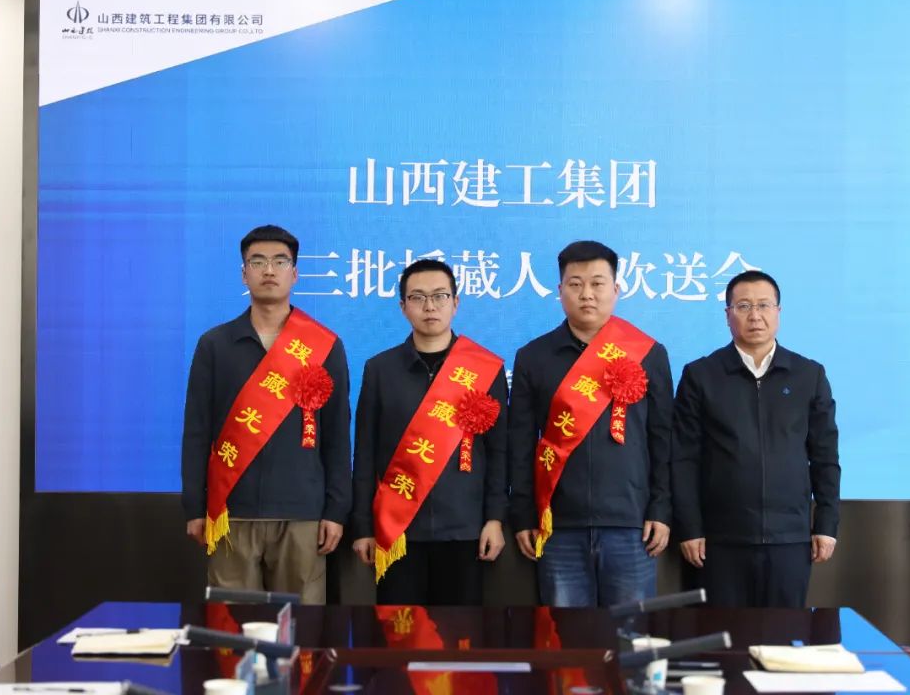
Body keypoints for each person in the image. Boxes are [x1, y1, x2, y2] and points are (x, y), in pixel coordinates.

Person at [181, 225, 351, 604]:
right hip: (232, 513)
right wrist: (194, 506)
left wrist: (336, 510)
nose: (269, 270)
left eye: (280, 261)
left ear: (295, 273)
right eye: (257, 262)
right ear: (244, 274)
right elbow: (196, 431)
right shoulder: (215, 345)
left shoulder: (325, 346)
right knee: (233, 627)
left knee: (301, 628)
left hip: (302, 513)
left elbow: (338, 436)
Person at [509, 240, 673, 607]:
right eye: (575, 284)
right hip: (557, 526)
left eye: (598, 283)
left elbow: (663, 439)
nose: (587, 294)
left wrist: (661, 509)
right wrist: (523, 514)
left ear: (616, 289)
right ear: (560, 291)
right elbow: (520, 444)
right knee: (566, 636)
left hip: (631, 524)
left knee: (631, 634)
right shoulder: (533, 357)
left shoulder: (649, 353)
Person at [672, 270, 840, 608]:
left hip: (789, 539)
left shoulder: (808, 375)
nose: (755, 315)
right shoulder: (701, 375)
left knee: (784, 633)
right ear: (728, 315)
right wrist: (690, 527)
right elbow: (683, 458)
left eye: (764, 305)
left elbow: (824, 456)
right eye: (744, 306)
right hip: (720, 541)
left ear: (778, 312)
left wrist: (826, 523)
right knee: (722, 634)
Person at [350, 259, 508, 605]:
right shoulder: (380, 370)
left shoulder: (485, 369)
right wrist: (362, 526)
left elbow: (499, 454)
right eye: (418, 297)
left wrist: (495, 519)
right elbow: (364, 453)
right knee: (398, 630)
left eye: (439, 296)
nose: (430, 306)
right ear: (403, 306)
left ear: (456, 302)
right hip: (398, 530)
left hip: (465, 530)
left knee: (460, 632)